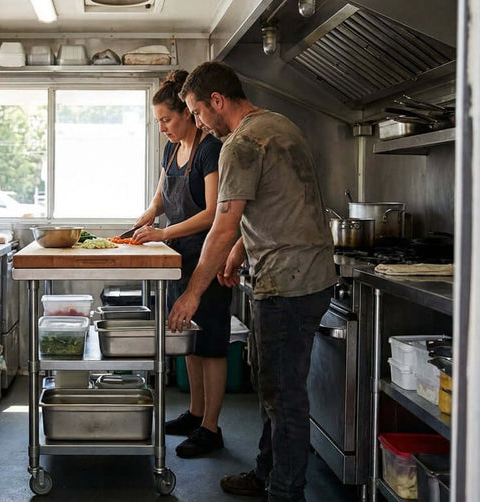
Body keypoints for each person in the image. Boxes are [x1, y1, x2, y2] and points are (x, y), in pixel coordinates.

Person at [167, 61, 337, 501]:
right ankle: (266, 473)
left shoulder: (239, 144)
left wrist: (192, 293)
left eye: (197, 111)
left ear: (217, 101)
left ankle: (285, 491)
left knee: (283, 396)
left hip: (288, 282)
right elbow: (277, 203)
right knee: (272, 385)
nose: (199, 121)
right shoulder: (279, 125)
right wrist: (241, 252)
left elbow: (222, 227)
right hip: (306, 274)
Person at [131, 69, 232, 458]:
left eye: (167, 120)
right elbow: (159, 201)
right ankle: (194, 412)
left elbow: (212, 213)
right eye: (158, 121)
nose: (163, 128)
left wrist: (162, 234)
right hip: (179, 261)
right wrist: (142, 222)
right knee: (188, 338)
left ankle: (211, 427)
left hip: (208, 258)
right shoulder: (171, 150)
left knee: (211, 345)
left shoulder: (211, 149)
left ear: (189, 114)